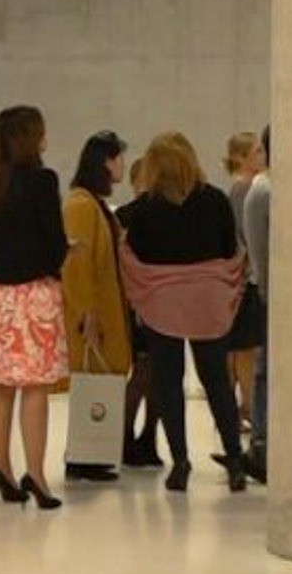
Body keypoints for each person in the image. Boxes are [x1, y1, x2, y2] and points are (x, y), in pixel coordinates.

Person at [118, 133, 249, 493]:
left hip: (163, 304)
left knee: (168, 382)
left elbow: (131, 249)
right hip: (208, 303)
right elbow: (229, 247)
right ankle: (235, 461)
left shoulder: (145, 208)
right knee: (217, 382)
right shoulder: (215, 200)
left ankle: (180, 463)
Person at [0, 106, 68, 508]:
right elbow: (54, 241)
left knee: (1, 383)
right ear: (31, 137)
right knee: (35, 385)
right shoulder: (44, 180)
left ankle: (1, 467)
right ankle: (36, 475)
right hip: (34, 291)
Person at [60, 130, 133, 484]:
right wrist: (86, 310)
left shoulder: (95, 205)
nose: (123, 166)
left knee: (104, 378)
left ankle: (94, 453)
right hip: (93, 313)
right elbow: (76, 261)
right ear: (106, 161)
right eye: (119, 158)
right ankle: (82, 455)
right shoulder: (81, 205)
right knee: (92, 381)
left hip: (107, 309)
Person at [117, 154, 164, 469]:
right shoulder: (125, 216)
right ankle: (127, 437)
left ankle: (147, 437)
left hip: (156, 302)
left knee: (157, 375)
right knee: (145, 372)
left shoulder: (153, 215)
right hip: (140, 304)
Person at [223, 131, 266, 429]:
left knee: (241, 347)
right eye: (257, 151)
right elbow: (244, 235)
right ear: (242, 157)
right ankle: (245, 406)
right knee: (243, 348)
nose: (263, 156)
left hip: (241, 278)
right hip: (243, 280)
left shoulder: (244, 188)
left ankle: (241, 407)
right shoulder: (243, 189)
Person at [240, 123, 273, 482]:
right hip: (271, 293)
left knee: (265, 367)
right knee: (265, 369)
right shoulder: (265, 190)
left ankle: (262, 443)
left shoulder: (262, 189)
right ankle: (262, 444)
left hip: (268, 291)